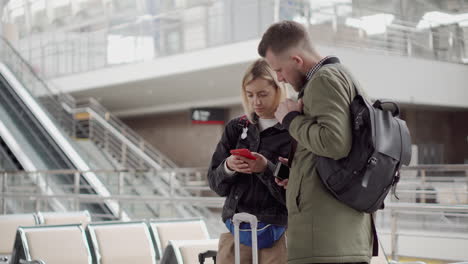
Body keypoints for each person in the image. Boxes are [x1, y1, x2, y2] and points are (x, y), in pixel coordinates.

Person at [258, 20, 373, 264]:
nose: (280, 79)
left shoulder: (323, 81)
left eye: (279, 70)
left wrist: (289, 118)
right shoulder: (341, 75)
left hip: (325, 241)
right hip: (337, 236)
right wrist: (298, 171)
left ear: (297, 60)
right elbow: (337, 150)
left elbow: (334, 143)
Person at [208, 58, 291, 264]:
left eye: (263, 94)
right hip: (236, 230)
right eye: (250, 95)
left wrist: (266, 168)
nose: (256, 102)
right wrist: (228, 167)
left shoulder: (293, 130)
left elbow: (296, 192)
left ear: (278, 89)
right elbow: (215, 183)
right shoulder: (236, 128)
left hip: (278, 234)